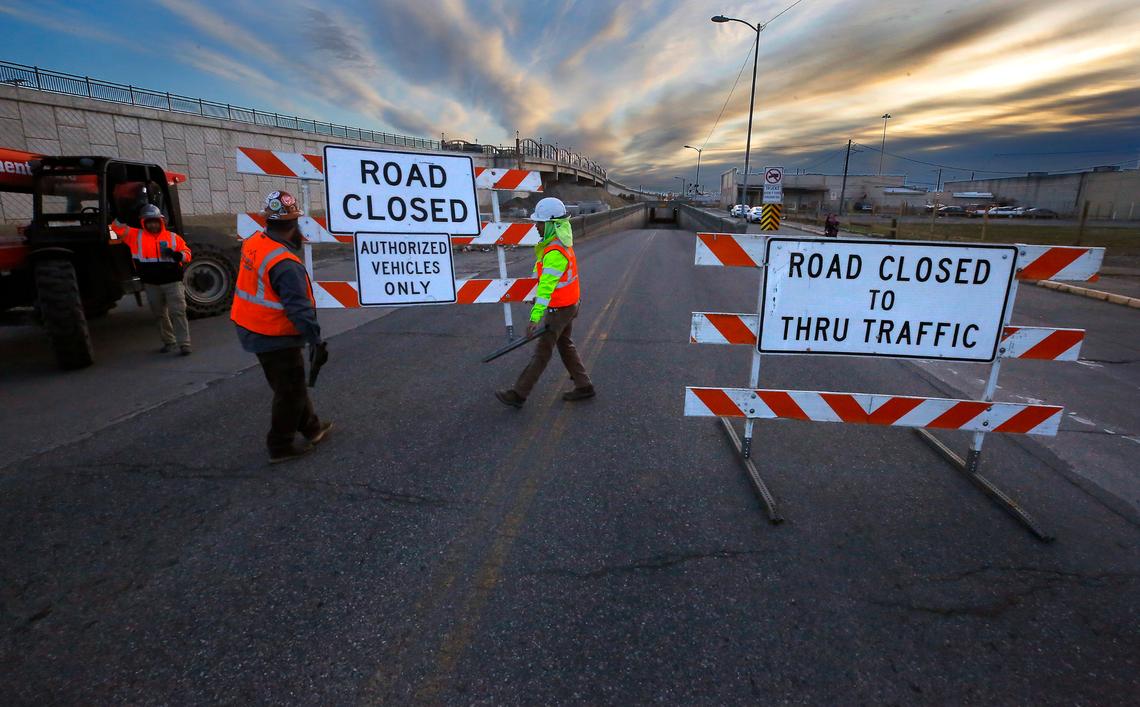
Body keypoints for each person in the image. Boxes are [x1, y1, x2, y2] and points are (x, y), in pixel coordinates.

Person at [230, 190, 332, 464]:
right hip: (272, 333)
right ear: (294, 224)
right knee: (289, 390)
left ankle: (312, 428)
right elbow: (299, 310)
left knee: (290, 384)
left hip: (248, 323)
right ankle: (280, 445)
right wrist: (315, 340)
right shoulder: (285, 265)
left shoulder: (254, 240)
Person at [495, 197, 593, 408]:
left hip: (559, 309)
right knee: (564, 344)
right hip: (569, 305)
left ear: (551, 224)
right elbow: (544, 282)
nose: (536, 227)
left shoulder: (555, 252)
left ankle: (519, 393)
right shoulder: (559, 243)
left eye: (539, 223)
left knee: (542, 352)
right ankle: (584, 385)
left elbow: (547, 288)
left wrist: (535, 317)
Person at [110, 204, 193, 354]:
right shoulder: (135, 236)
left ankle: (184, 344)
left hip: (173, 283)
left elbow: (187, 254)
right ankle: (169, 342)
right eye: (149, 221)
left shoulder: (173, 238)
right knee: (159, 315)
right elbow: (115, 227)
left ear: (161, 221)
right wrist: (123, 215)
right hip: (151, 284)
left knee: (178, 312)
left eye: (155, 221)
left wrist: (177, 255)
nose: (152, 224)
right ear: (143, 222)